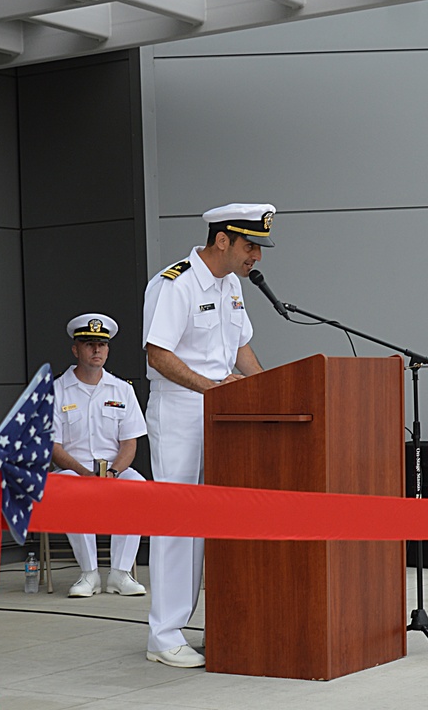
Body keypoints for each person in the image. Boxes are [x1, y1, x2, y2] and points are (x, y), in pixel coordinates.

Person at [141, 203, 274, 667]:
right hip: (180, 409)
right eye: (250, 245)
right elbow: (158, 354)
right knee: (179, 520)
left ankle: (188, 621)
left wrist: (268, 392)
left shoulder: (232, 284)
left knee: (212, 519)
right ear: (223, 240)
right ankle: (163, 634)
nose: (256, 256)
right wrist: (214, 389)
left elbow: (240, 347)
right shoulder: (173, 283)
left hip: (222, 411)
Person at [52, 314, 148, 598]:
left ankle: (120, 573)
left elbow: (129, 444)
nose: (96, 350)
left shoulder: (122, 389)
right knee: (70, 487)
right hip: (73, 470)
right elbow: (53, 447)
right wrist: (86, 475)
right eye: (89, 344)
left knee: (139, 488)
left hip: (113, 470)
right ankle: (89, 573)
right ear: (75, 349)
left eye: (102, 345)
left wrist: (114, 472)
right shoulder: (56, 390)